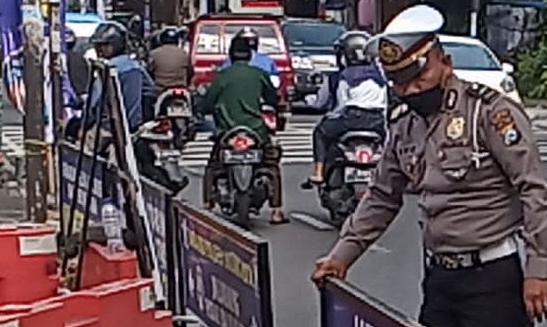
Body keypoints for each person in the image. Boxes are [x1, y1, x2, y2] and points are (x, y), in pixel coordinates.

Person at [310, 5, 547, 327]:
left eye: (417, 76)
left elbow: (533, 189)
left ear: (444, 62)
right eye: (399, 82)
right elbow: (381, 196)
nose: (410, 89)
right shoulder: (405, 126)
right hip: (441, 279)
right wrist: (341, 256)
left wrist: (538, 270)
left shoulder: (489, 113)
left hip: (494, 279)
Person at [198, 32, 287, 225]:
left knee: (213, 166)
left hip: (226, 132)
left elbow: (206, 104)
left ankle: (207, 206)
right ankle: (277, 211)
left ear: (230, 55)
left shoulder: (222, 76)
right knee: (271, 166)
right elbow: (273, 98)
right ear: (250, 55)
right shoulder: (260, 74)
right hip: (257, 131)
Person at [305, 30, 388, 187]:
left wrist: (319, 108)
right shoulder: (380, 76)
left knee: (320, 132)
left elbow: (340, 105)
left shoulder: (342, 77)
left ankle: (318, 173)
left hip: (351, 119)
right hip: (377, 121)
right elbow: (386, 103)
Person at [88, 21, 154, 131]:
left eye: (105, 45)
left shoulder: (128, 68)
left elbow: (132, 110)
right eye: (98, 45)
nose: (100, 49)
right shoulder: (108, 66)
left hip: (124, 130)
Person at [148, 26, 192, 95]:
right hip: (181, 89)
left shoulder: (154, 53)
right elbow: (190, 72)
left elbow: (149, 71)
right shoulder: (184, 54)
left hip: (160, 90)